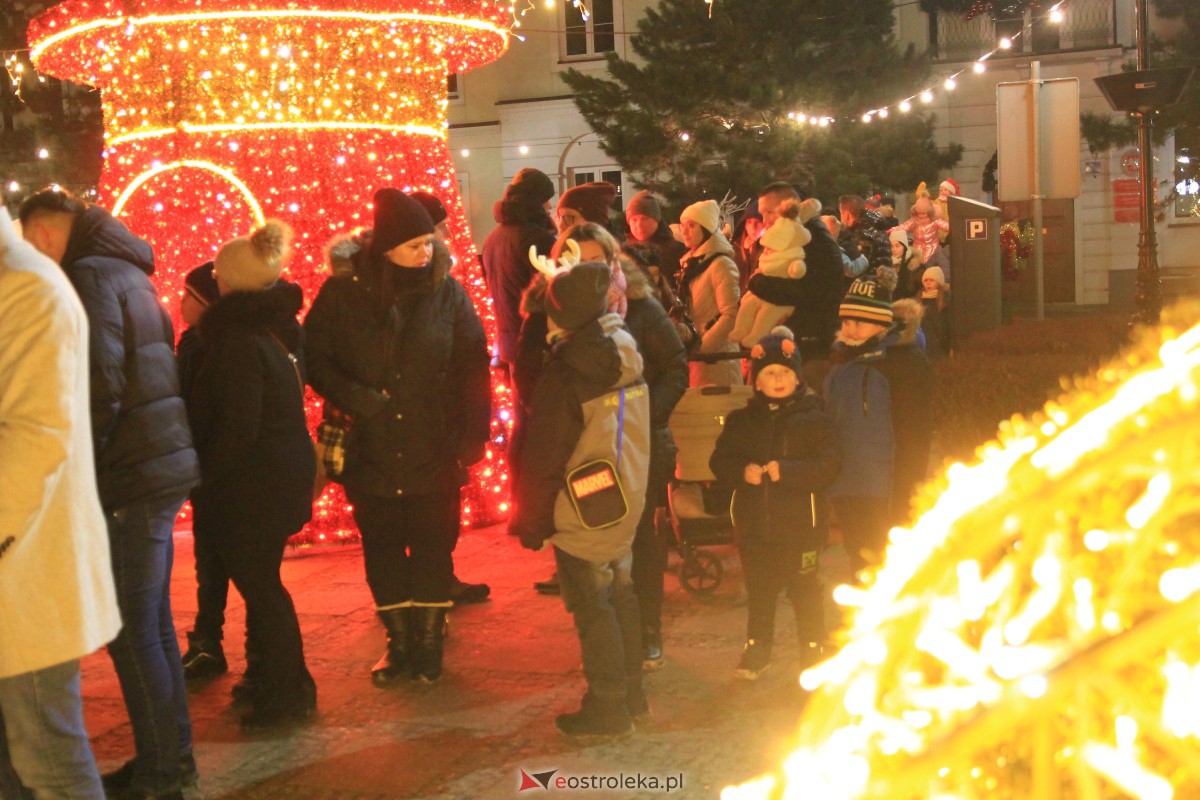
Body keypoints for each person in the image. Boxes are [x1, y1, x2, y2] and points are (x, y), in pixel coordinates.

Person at [19, 189, 199, 800]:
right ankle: (172, 758)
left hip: (128, 473)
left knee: (132, 630)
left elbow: (98, 381)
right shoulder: (128, 268)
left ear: (44, 233)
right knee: (153, 625)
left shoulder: (90, 275)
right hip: (157, 463)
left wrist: (79, 465)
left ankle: (161, 773)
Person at [306, 190, 491, 686]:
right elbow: (316, 359)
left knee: (433, 547)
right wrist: (359, 397)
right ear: (385, 247)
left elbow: (473, 362)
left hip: (435, 442)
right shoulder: (343, 294)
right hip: (372, 445)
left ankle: (428, 644)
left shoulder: (447, 292)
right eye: (413, 246)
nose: (425, 254)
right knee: (383, 547)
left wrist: (474, 432)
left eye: (428, 244)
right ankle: (399, 641)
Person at [517, 224, 688, 666]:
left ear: (612, 262)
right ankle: (621, 667)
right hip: (580, 450)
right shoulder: (547, 311)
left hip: (638, 447)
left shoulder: (640, 308)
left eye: (596, 260)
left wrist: (641, 417)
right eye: (577, 259)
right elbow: (527, 372)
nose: (587, 269)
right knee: (598, 567)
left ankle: (640, 639)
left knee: (639, 551)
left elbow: (673, 367)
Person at [0, 207, 122, 800]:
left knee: (46, 753)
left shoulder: (24, 285)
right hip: (17, 565)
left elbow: (34, 439)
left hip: (22, 571)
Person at [183, 221, 318, 728]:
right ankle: (276, 681)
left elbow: (239, 424)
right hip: (278, 475)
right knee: (264, 585)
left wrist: (209, 479)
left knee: (262, 589)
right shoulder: (273, 329)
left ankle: (288, 691)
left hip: (253, 485)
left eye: (217, 272)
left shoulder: (237, 340)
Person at [509, 261, 651, 739]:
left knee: (594, 608)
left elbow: (545, 454)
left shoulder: (570, 372)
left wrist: (531, 520)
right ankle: (632, 695)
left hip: (583, 504)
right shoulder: (622, 348)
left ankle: (608, 708)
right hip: (624, 493)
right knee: (622, 597)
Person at [709, 327, 841, 680]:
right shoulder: (742, 422)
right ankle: (758, 647)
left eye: (785, 372)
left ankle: (813, 648)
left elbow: (829, 465)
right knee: (761, 591)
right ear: (757, 382)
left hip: (801, 528)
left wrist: (789, 471)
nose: (778, 379)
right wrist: (742, 472)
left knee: (805, 590)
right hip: (756, 528)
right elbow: (720, 462)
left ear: (797, 378)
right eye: (770, 373)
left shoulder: (814, 418)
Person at [408, 190, 491, 605]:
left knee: (436, 515)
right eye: (439, 227)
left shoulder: (447, 289)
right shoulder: (439, 290)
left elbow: (472, 358)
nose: (446, 234)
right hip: (431, 426)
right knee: (432, 516)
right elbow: (471, 360)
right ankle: (428, 590)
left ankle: (436, 581)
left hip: (437, 426)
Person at [823, 279, 935, 577]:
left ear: (882, 325)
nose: (850, 329)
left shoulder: (903, 364)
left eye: (860, 323)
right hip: (847, 482)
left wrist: (906, 490)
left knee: (886, 563)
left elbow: (915, 435)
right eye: (846, 321)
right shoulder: (841, 360)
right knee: (858, 558)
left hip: (884, 488)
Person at [171, 262, 237, 683]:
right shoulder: (197, 343)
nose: (180, 304)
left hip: (214, 469)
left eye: (187, 297)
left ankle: (208, 641)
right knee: (213, 560)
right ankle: (207, 638)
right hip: (213, 468)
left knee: (214, 560)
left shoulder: (201, 346)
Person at [752, 182, 844, 392]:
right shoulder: (797, 235)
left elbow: (805, 291)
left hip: (811, 345)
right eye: (761, 213)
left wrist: (757, 282)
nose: (764, 221)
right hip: (803, 340)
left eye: (768, 212)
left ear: (788, 207)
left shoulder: (812, 241)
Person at [480, 168, 557, 381]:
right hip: (535, 346)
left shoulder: (492, 239)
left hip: (508, 343)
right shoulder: (536, 238)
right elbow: (553, 294)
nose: (550, 206)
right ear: (534, 201)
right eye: (546, 200)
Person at [676, 199, 742, 387]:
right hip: (697, 355)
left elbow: (730, 315)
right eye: (682, 226)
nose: (685, 231)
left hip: (718, 357)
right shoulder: (691, 265)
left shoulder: (720, 264)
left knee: (719, 411)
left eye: (691, 226)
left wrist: (703, 347)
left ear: (705, 228)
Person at [919, 266, 951, 359]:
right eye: (925, 280)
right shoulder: (917, 301)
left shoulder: (945, 301)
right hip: (925, 348)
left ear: (939, 282)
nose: (928, 283)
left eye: (932, 280)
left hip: (941, 347)